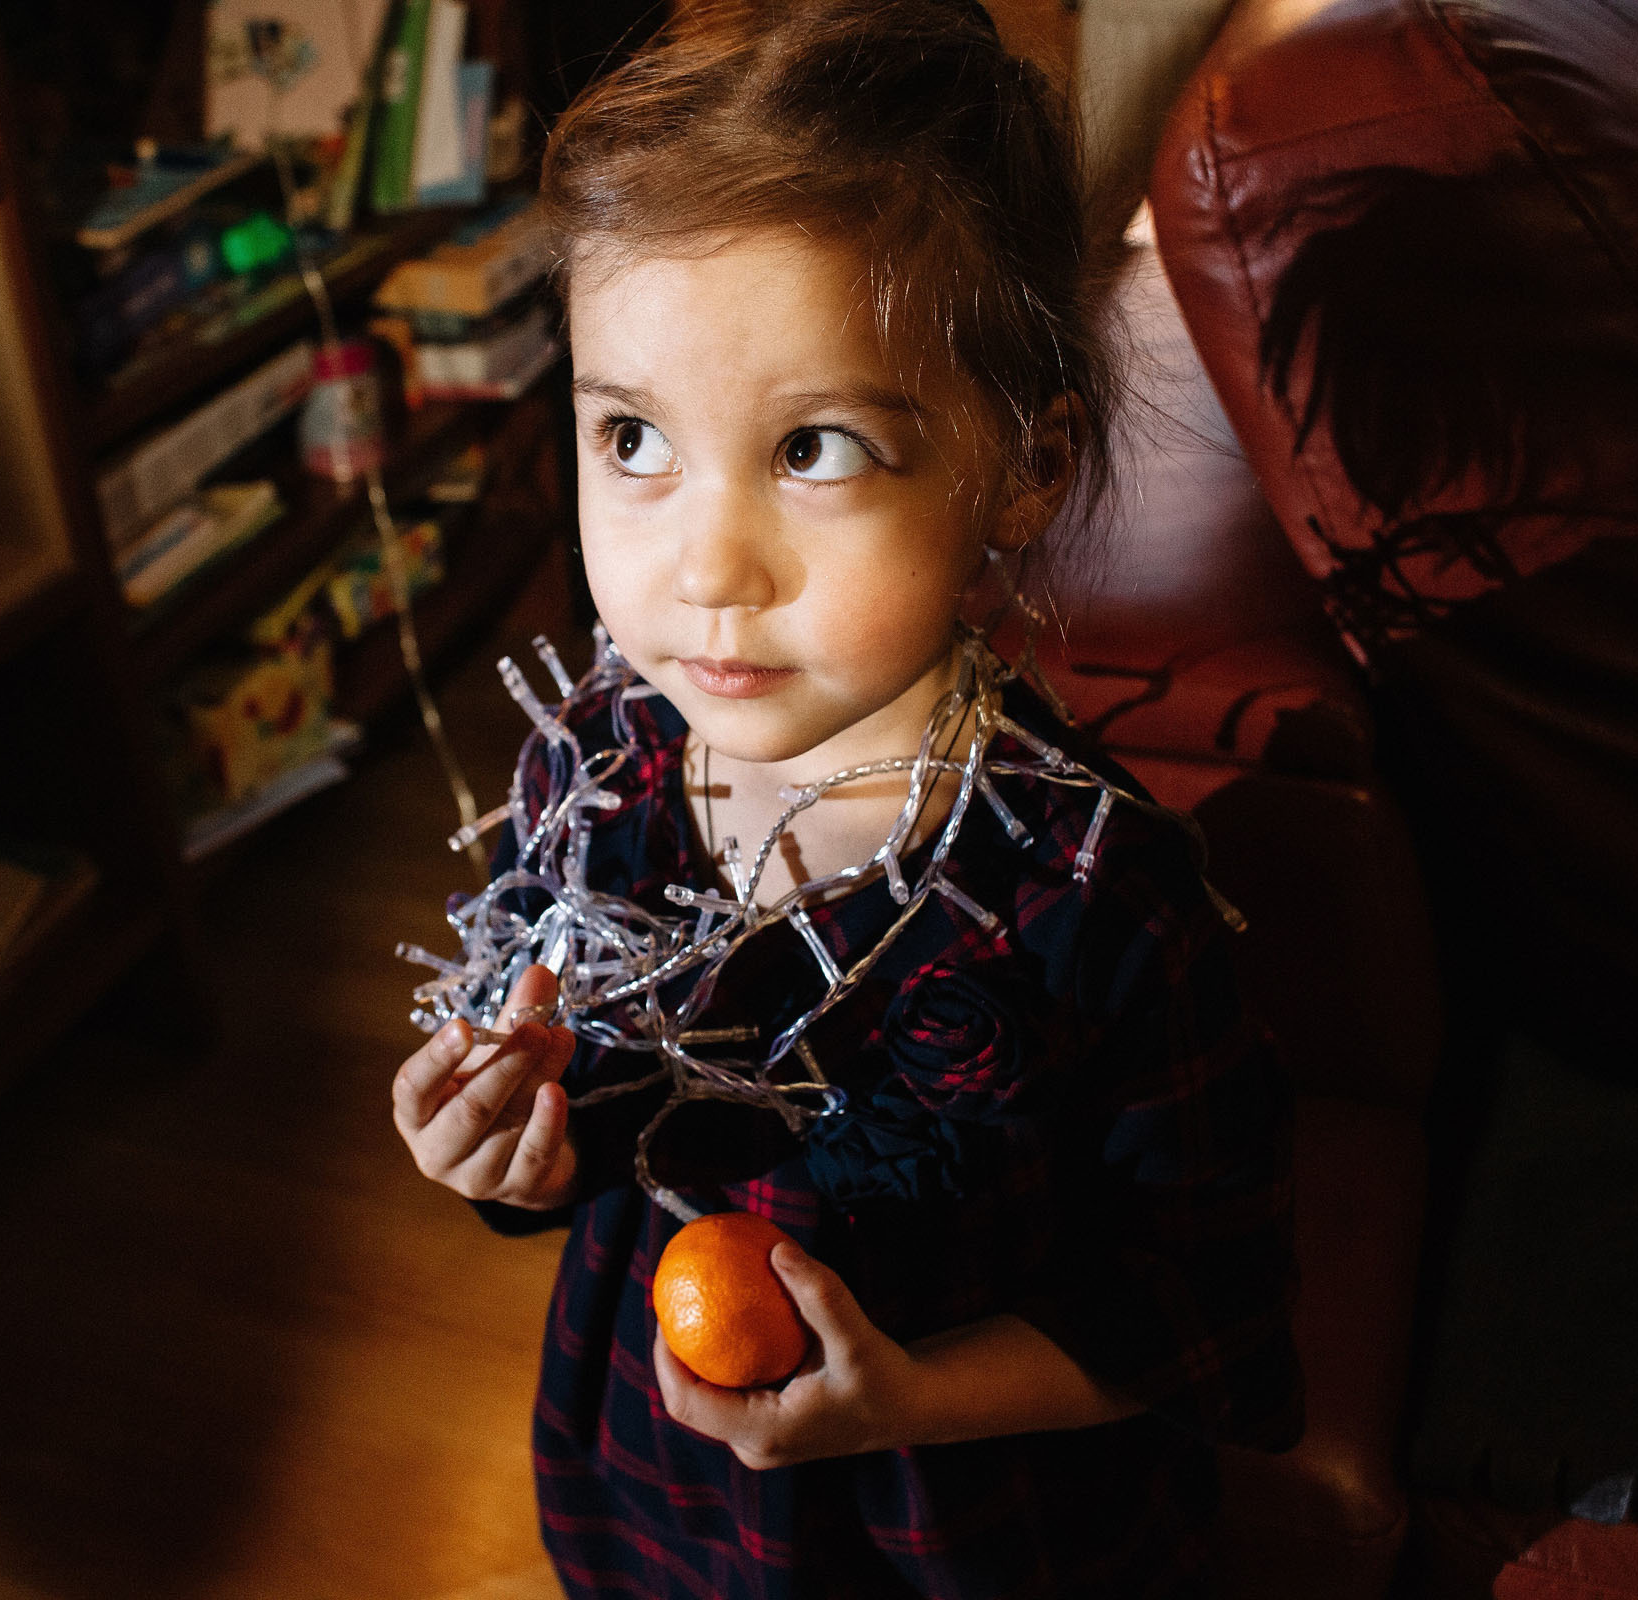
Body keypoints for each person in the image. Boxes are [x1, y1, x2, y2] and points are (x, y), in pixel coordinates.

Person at [390, 3, 1302, 1594]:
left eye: (813, 447)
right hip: (658, 1493)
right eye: (632, 438)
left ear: (1020, 463)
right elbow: (585, 1123)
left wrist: (920, 1394)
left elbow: (1201, 1304)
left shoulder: (1094, 898)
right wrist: (510, 1158)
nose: (706, 568)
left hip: (973, 1530)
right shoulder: (585, 778)